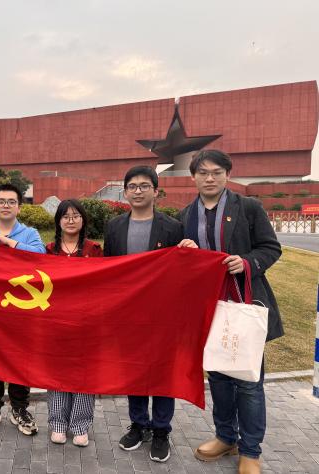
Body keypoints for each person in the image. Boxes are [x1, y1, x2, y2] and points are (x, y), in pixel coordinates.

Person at [181, 150, 282, 474]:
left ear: (227, 174)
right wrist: (185, 252)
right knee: (219, 377)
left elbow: (271, 248)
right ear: (193, 177)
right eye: (203, 172)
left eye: (216, 172)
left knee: (249, 381)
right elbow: (185, 266)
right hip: (209, 308)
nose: (209, 178)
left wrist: (248, 262)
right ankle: (226, 437)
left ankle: (250, 450)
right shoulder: (186, 215)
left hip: (244, 304)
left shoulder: (248, 207)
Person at [104, 165, 196, 463]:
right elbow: (107, 269)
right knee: (134, 370)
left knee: (163, 371)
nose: (138, 191)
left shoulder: (173, 227)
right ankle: (138, 424)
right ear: (125, 191)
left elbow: (183, 271)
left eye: (145, 186)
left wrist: (189, 249)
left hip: (163, 314)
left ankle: (161, 430)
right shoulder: (114, 226)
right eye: (132, 186)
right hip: (127, 313)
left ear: (156, 191)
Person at [0, 183, 46, 436]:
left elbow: (41, 256)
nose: (6, 206)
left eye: (11, 202)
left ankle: (20, 408)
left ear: (19, 207)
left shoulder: (30, 234)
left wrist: (10, 243)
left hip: (23, 311)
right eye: (1, 201)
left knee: (20, 360)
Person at [45, 199, 102, 447]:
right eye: (65, 216)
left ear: (83, 220)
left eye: (76, 216)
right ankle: (58, 423)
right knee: (56, 372)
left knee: (84, 373)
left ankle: (80, 425)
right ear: (58, 221)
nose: (71, 220)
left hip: (87, 322)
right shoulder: (48, 250)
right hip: (56, 322)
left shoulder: (94, 250)